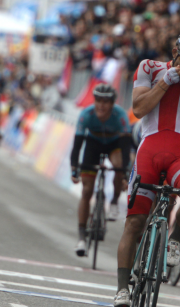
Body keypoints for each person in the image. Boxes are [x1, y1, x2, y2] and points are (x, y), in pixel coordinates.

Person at [114, 29, 180, 306]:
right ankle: (122, 288)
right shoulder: (149, 67)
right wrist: (164, 83)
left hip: (179, 155)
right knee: (134, 222)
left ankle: (175, 239)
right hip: (149, 151)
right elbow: (139, 108)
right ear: (174, 52)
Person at [70, 83, 130, 257]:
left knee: (119, 166)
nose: (101, 105)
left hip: (114, 145)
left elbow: (125, 148)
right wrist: (75, 168)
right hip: (93, 145)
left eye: (106, 102)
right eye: (98, 101)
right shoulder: (86, 115)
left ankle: (113, 202)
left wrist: (124, 173)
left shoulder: (121, 116)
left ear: (112, 104)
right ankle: (81, 236)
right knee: (87, 190)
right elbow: (77, 145)